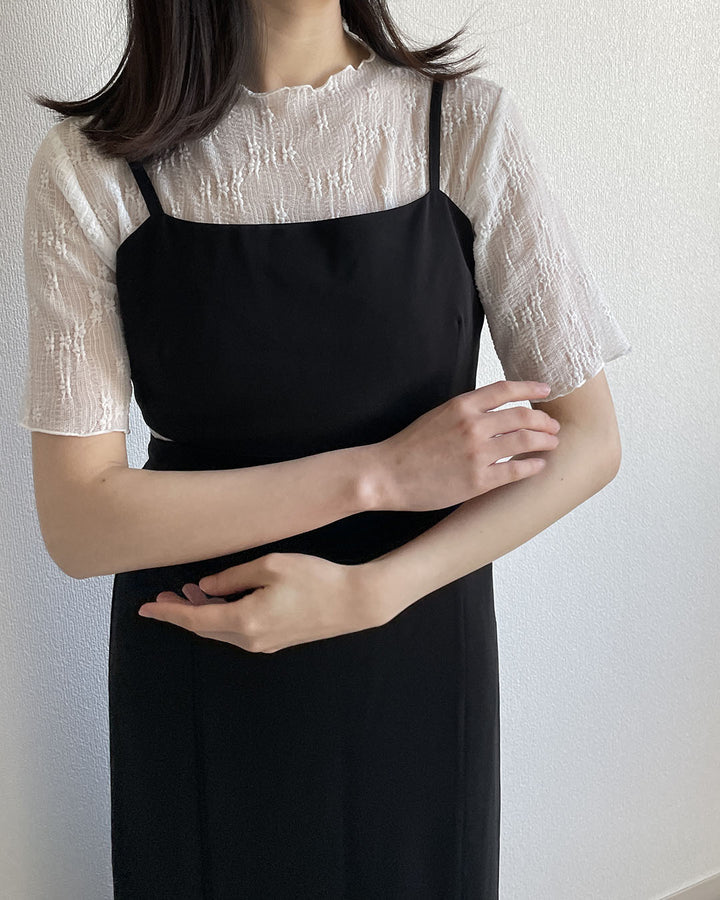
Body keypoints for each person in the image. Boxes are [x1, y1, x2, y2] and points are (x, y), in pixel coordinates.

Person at [17, 0, 632, 897]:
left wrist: (372, 593)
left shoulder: (462, 126)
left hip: (417, 646)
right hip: (204, 658)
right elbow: (78, 524)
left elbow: (589, 439)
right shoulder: (93, 166)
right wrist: (379, 474)